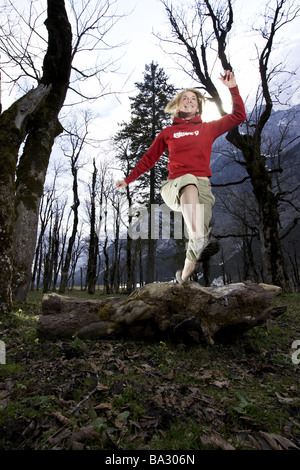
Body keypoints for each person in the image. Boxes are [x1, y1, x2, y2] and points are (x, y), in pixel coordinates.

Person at [116, 70, 246, 284]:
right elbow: (149, 158)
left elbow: (238, 116)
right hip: (175, 186)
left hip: (202, 188)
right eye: (184, 98)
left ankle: (182, 279)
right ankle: (200, 239)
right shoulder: (168, 132)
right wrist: (129, 179)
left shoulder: (208, 128)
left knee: (196, 242)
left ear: (198, 107)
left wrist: (232, 88)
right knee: (189, 180)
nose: (188, 101)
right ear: (177, 106)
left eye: (193, 99)